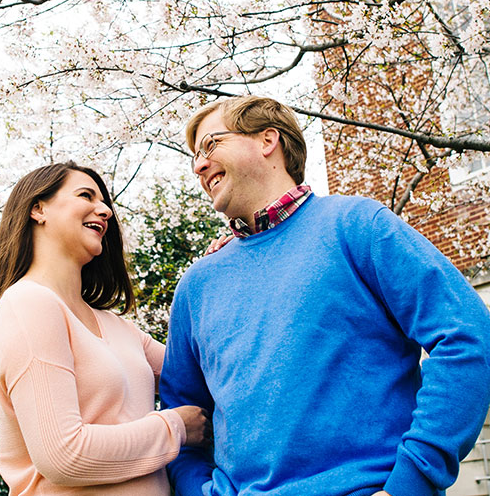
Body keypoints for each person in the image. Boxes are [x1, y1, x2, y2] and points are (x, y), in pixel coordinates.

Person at [161, 95, 490, 496]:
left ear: (268, 140)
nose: (199, 164)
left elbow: (465, 335)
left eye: (211, 145)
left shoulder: (356, 226)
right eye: (194, 156)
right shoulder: (196, 285)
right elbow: (183, 422)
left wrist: (411, 484)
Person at [0, 161, 210, 495]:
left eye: (105, 203)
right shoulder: (27, 304)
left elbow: (200, 372)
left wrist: (220, 269)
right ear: (38, 208)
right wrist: (176, 427)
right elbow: (63, 456)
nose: (104, 211)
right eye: (86, 195)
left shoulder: (116, 327)